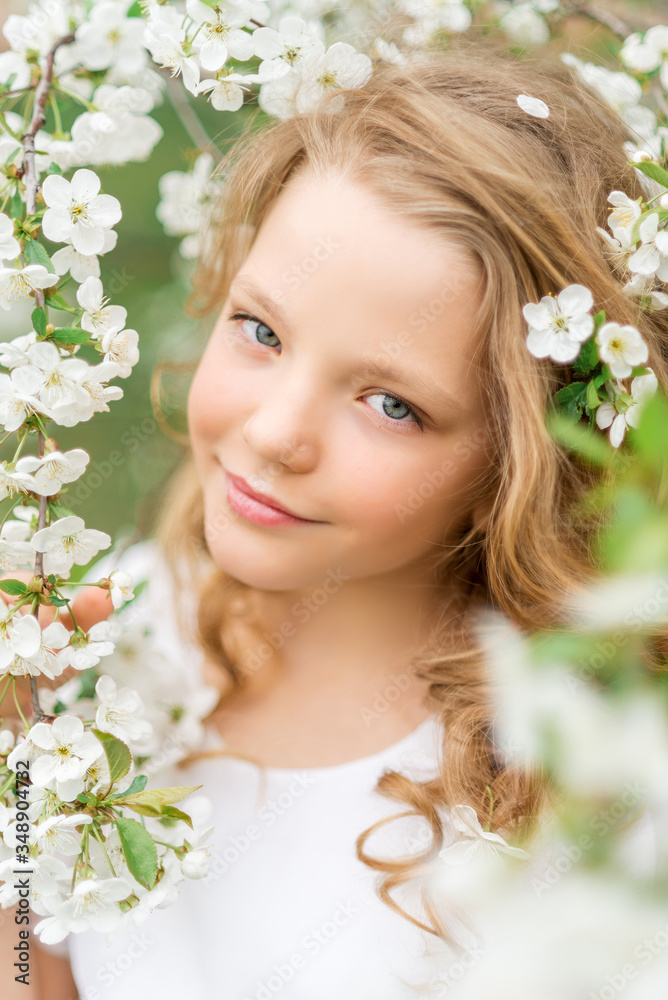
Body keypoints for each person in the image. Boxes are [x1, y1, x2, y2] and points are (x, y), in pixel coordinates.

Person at [11, 48, 668, 999]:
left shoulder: (588, 804)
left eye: (391, 404)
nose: (275, 433)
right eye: (262, 331)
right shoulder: (122, 634)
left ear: (521, 462)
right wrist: (16, 782)